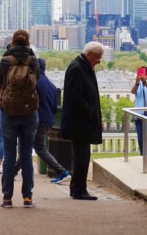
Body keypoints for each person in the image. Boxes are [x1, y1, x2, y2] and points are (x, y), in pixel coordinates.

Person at [0, 30, 39, 208]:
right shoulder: (33, 60)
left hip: (9, 111)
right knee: (26, 156)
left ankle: (7, 198)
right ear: (28, 42)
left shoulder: (6, 60)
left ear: (13, 42)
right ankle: (27, 197)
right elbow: (36, 80)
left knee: (9, 155)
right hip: (29, 111)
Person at [60, 41, 103, 201]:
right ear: (90, 55)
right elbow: (75, 97)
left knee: (82, 156)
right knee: (81, 157)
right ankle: (78, 189)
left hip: (82, 121)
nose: (99, 62)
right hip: (80, 122)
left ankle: (78, 188)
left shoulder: (81, 67)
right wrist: (91, 113)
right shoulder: (78, 68)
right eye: (97, 58)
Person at [35, 58, 70, 184]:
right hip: (48, 120)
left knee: (39, 148)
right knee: (33, 147)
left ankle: (62, 171)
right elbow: (55, 107)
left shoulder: (35, 82)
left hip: (39, 120)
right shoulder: (51, 85)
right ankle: (14, 169)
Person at [131, 66, 147, 156]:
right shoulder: (136, 83)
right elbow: (133, 92)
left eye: (143, 73)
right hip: (138, 113)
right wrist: (137, 83)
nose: (141, 75)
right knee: (140, 135)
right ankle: (142, 154)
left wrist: (145, 82)